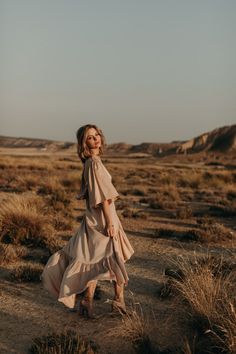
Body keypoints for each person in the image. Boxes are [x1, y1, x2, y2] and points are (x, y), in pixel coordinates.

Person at [41, 124, 134, 319]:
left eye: (97, 134)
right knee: (114, 257)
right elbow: (104, 198)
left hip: (95, 219)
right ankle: (119, 302)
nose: (96, 139)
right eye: (90, 137)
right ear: (84, 143)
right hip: (103, 219)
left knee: (95, 260)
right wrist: (110, 222)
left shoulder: (91, 163)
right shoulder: (94, 163)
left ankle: (87, 301)